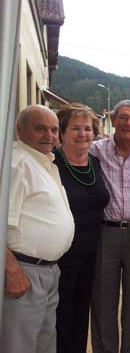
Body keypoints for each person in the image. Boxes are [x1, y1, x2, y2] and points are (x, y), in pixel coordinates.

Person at [0, 105, 74, 353]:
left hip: (47, 270)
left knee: (43, 343)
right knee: (19, 345)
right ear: (20, 130)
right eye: (40, 128)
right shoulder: (16, 163)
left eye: (53, 130)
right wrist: (11, 270)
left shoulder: (42, 161)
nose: (48, 135)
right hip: (24, 270)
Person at [90, 100, 130, 353]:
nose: (129, 123)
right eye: (124, 118)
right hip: (106, 232)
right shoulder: (95, 150)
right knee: (103, 299)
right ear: (113, 120)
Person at [54, 104, 110, 353]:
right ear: (62, 132)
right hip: (60, 255)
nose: (83, 133)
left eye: (88, 128)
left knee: (81, 310)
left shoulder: (95, 163)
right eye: (75, 128)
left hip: (90, 252)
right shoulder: (52, 162)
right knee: (60, 313)